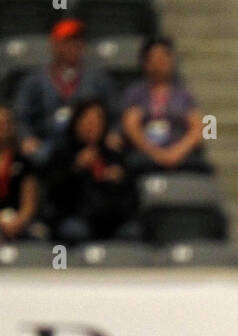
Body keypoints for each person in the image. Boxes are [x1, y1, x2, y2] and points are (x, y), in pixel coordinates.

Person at [13, 17, 119, 172]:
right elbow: (21, 115)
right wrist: (26, 137)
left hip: (87, 145)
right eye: (67, 42)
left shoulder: (98, 79)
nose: (73, 47)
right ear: (54, 45)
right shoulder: (34, 81)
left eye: (77, 41)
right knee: (35, 158)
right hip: (48, 143)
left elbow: (115, 112)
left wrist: (114, 133)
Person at [44, 99, 140, 246]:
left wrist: (120, 180)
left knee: (133, 231)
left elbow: (132, 198)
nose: (92, 126)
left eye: (97, 121)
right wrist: (76, 168)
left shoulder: (114, 156)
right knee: (74, 231)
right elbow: (54, 195)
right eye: (87, 120)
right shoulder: (62, 155)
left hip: (112, 219)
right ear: (76, 123)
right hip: (76, 217)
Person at [120, 37, 208, 175]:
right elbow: (131, 126)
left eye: (163, 57)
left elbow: (197, 128)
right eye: (154, 58)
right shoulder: (136, 93)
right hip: (145, 153)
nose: (159, 63)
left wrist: (176, 153)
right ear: (145, 62)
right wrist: (155, 153)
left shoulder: (184, 94)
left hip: (180, 153)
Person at [0, 105, 42, 241]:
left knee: (40, 234)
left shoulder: (23, 162)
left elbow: (29, 201)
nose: (2, 128)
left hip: (18, 221)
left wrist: (19, 221)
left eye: (6, 123)